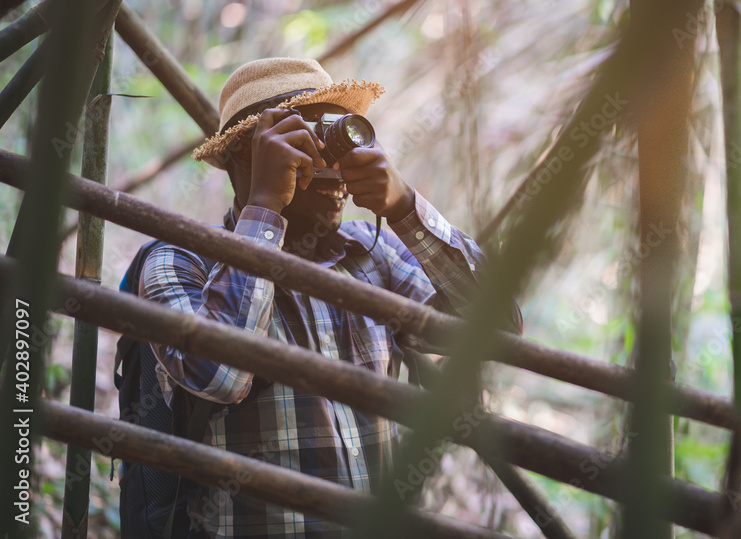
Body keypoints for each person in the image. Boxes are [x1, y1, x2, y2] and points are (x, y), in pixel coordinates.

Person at [139, 57, 520, 537]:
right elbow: (219, 375)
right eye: (305, 138)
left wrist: (405, 206)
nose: (330, 160)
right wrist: (265, 206)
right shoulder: (181, 261)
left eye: (335, 133)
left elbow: (501, 324)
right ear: (245, 158)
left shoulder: (372, 255)